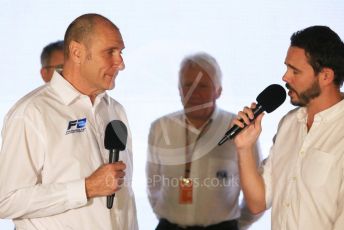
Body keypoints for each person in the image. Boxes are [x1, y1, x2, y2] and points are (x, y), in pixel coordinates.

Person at [0, 13, 138, 230]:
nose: (120, 64)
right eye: (110, 52)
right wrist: (86, 188)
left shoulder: (115, 110)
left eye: (120, 52)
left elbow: (124, 200)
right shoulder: (31, 113)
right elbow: (5, 200)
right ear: (77, 52)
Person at [232, 25, 344, 230]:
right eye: (286, 68)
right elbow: (258, 202)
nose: (285, 77)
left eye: (295, 71)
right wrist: (244, 148)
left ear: (326, 76)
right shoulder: (289, 124)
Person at [146, 52, 262, 230]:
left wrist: (237, 225)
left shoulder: (240, 130)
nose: (194, 93)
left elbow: (256, 190)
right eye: (188, 85)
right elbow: (153, 184)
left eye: (202, 86)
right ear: (179, 89)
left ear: (218, 91)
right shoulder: (160, 127)